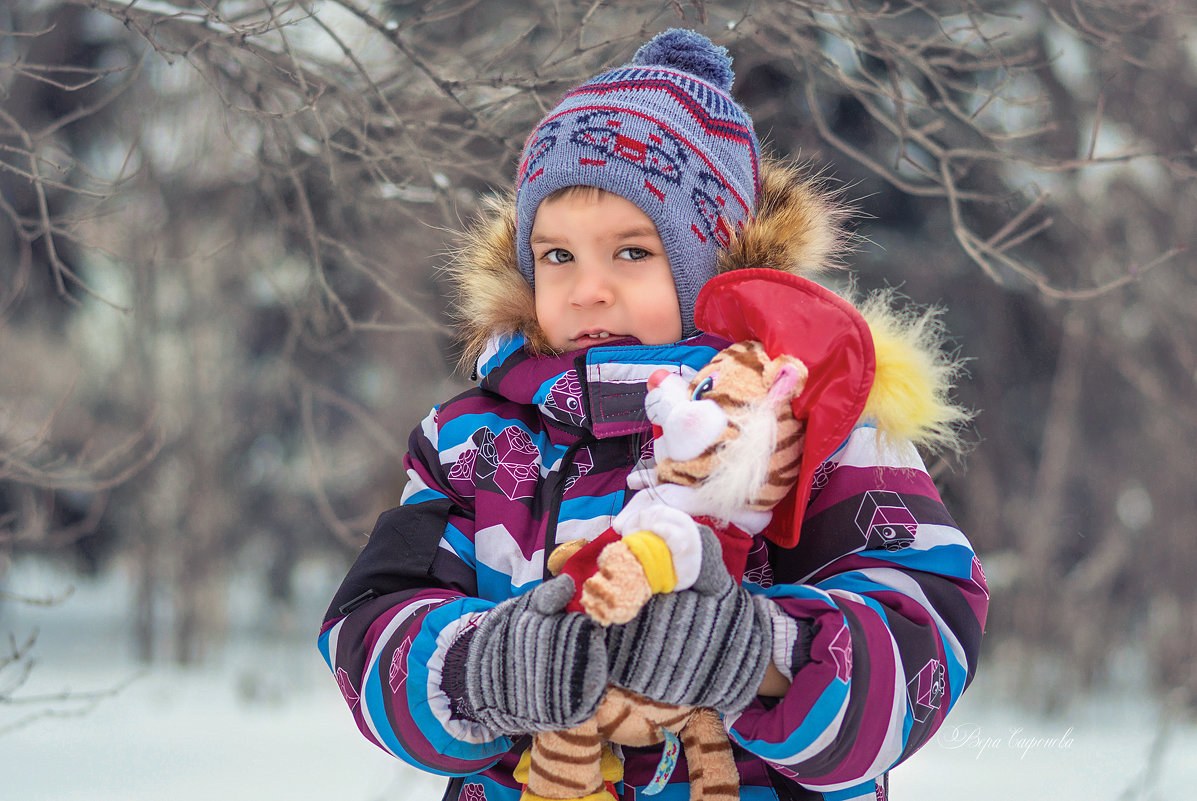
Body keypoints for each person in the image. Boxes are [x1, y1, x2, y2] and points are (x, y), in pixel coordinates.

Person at [319, 29, 988, 801]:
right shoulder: (471, 441)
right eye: (557, 255)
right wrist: (488, 664)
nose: (586, 289)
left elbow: (927, 624)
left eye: (631, 252)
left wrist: (756, 653)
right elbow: (370, 623)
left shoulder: (812, 420)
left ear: (712, 261)